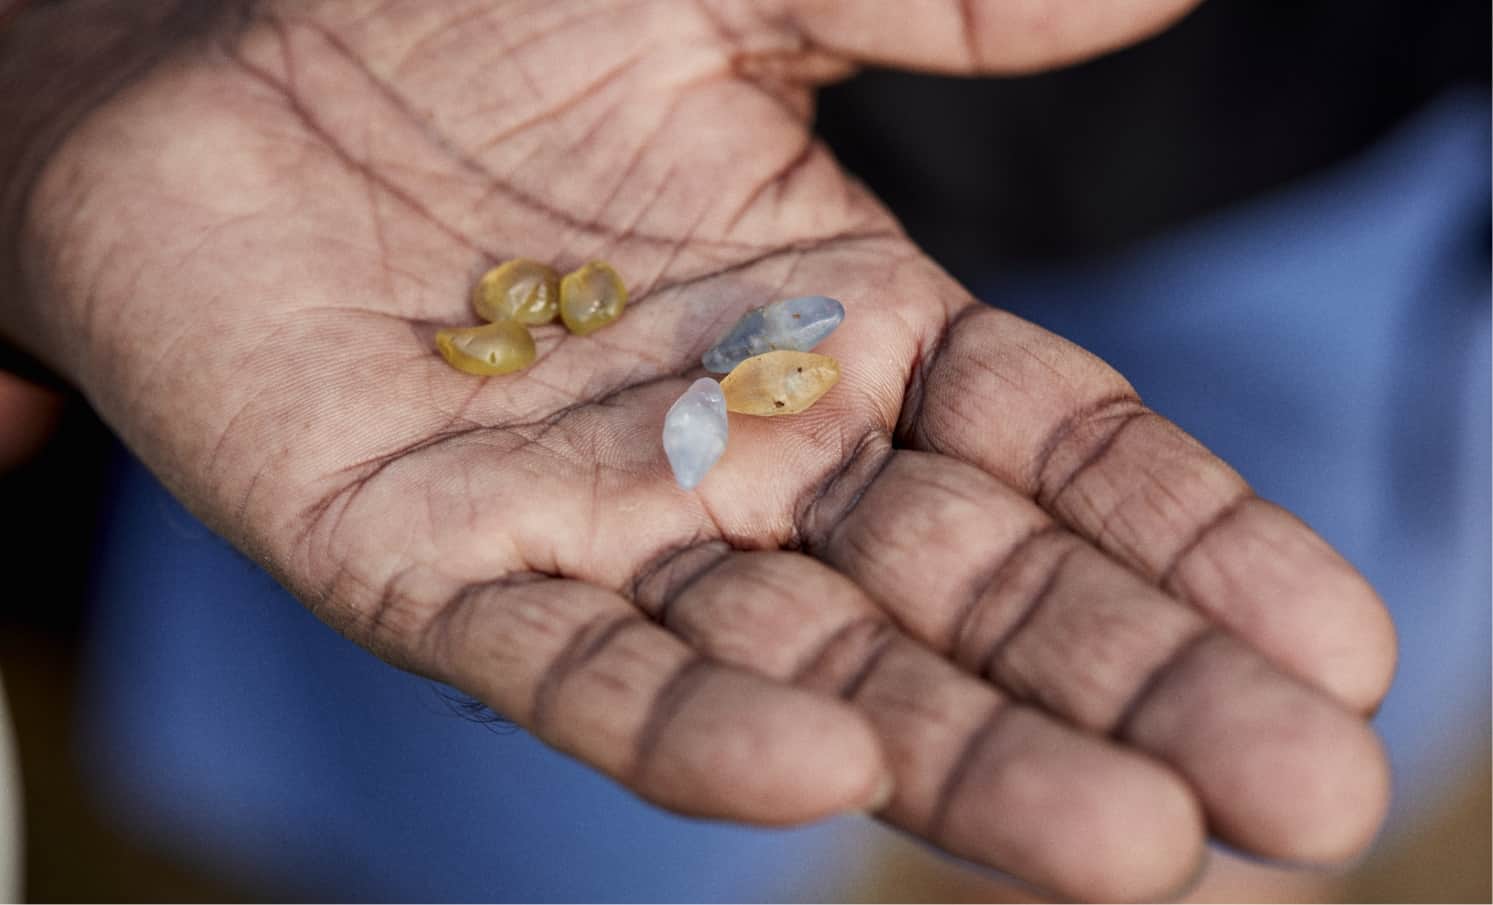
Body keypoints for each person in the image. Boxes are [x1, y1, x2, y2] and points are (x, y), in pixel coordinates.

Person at [0, 2, 1401, 900]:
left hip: (1323, 150)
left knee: (1237, 632)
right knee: (612, 825)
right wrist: (52, 61)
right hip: (402, 141)